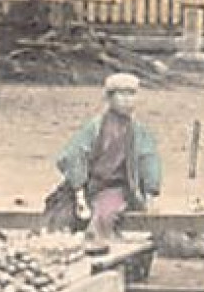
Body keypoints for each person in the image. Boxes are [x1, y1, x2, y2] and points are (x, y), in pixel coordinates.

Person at [44, 73, 162, 241]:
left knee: (103, 215)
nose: (127, 100)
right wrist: (79, 191)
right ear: (109, 98)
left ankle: (100, 250)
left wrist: (150, 194)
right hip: (88, 185)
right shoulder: (95, 127)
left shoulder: (138, 132)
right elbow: (75, 153)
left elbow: (148, 160)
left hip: (117, 188)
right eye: (121, 94)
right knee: (60, 215)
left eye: (131, 94)